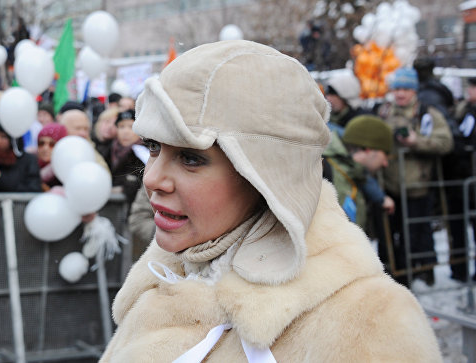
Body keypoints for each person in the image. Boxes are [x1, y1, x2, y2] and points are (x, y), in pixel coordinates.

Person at [100, 41, 441, 362]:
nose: (152, 178)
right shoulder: (164, 274)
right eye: (154, 147)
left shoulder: (371, 322)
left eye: (190, 158)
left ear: (267, 175)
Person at [378, 67, 454, 286]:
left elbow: (445, 142)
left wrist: (416, 142)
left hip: (418, 186)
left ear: (414, 91)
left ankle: (423, 273)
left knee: (418, 235)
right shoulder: (385, 112)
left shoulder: (427, 114)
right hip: (390, 186)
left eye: (405, 89)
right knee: (392, 236)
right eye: (397, 89)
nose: (400, 94)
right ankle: (397, 276)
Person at [323, 115, 394, 231]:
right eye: (385, 154)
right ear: (368, 150)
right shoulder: (325, 167)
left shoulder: (351, 169)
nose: (385, 163)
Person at [444, 76, 476, 282]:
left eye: (473, 87)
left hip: (469, 177)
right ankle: (460, 271)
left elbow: (463, 138)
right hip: (464, 178)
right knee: (459, 228)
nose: (470, 91)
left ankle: (462, 271)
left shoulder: (469, 112)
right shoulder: (464, 110)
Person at [109, 109, 144, 207]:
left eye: (131, 127)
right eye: (121, 127)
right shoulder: (109, 149)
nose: (126, 132)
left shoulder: (144, 154)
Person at [60, 109, 110, 173]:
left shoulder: (90, 148)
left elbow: (104, 172)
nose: (83, 133)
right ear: (65, 129)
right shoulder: (51, 146)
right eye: (78, 128)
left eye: (86, 129)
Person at [37, 123, 68, 191]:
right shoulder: (29, 167)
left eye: (52, 144)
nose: (45, 148)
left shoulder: (66, 173)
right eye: (41, 143)